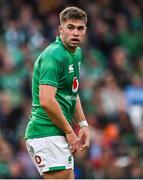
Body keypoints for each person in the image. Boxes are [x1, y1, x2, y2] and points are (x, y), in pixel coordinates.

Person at [25, 6, 90, 179]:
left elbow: (72, 92)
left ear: (85, 30)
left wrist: (83, 123)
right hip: (46, 131)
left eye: (80, 28)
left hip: (56, 132)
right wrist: (70, 131)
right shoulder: (53, 55)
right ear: (60, 29)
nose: (75, 32)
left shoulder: (76, 54)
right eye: (70, 27)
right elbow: (46, 100)